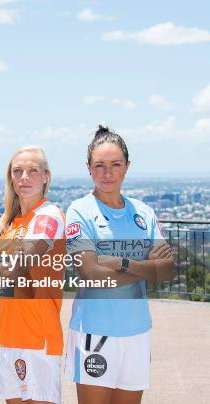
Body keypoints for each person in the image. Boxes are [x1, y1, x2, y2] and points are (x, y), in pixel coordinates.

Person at [64, 125, 175, 404]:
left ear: (127, 166)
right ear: (89, 168)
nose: (107, 172)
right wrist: (144, 266)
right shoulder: (79, 211)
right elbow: (90, 274)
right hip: (94, 332)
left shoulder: (144, 213)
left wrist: (121, 262)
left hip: (137, 331)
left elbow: (166, 270)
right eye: (99, 165)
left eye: (115, 164)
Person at [0, 145, 66, 404]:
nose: (24, 177)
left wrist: (1, 265)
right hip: (5, 335)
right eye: (18, 171)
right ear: (11, 178)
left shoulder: (49, 215)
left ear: (45, 176)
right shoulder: (4, 222)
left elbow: (23, 263)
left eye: (32, 171)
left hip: (37, 335)